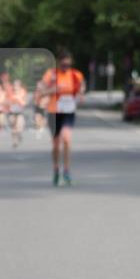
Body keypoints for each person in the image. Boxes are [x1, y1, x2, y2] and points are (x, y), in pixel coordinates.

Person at [40, 50, 86, 185]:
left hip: (68, 112)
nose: (66, 65)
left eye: (68, 62)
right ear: (58, 62)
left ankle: (66, 170)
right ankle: (56, 169)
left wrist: (81, 92)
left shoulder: (76, 75)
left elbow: (82, 87)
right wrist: (53, 89)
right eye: (63, 63)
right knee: (55, 144)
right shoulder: (51, 75)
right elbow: (41, 92)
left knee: (66, 139)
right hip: (53, 112)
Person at [7, 79, 29, 149]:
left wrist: (20, 101)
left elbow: (25, 102)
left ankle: (19, 135)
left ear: (20, 86)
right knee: (13, 128)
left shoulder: (23, 92)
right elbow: (6, 102)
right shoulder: (10, 93)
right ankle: (14, 142)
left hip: (19, 112)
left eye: (17, 85)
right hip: (12, 112)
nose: (16, 87)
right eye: (15, 85)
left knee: (19, 127)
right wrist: (11, 102)